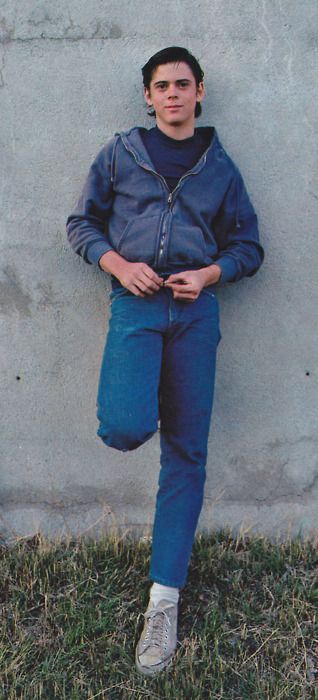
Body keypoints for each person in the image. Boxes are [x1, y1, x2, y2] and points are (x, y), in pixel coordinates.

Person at [66, 46, 264, 675]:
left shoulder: (221, 168)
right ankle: (143, 398)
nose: (173, 94)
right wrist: (121, 265)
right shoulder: (120, 154)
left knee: (187, 453)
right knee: (124, 425)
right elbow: (81, 224)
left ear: (200, 92)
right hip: (137, 308)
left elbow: (249, 246)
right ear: (147, 97)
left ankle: (163, 603)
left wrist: (209, 273)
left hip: (196, 315)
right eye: (161, 86)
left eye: (183, 84)